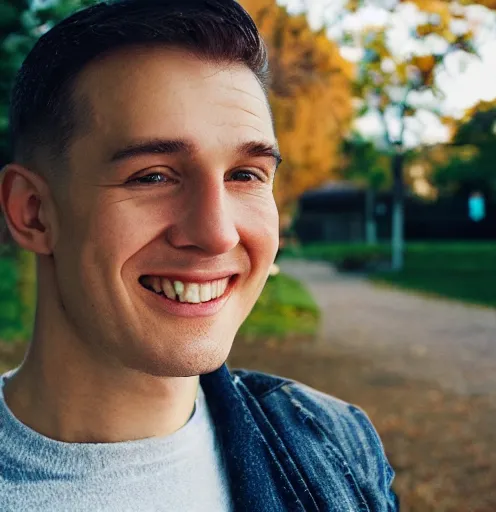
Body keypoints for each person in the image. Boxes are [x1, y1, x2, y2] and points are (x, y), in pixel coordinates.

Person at [0, 1, 399, 510]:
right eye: (153, 176)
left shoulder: (338, 446)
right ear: (33, 212)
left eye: (245, 175)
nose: (217, 233)